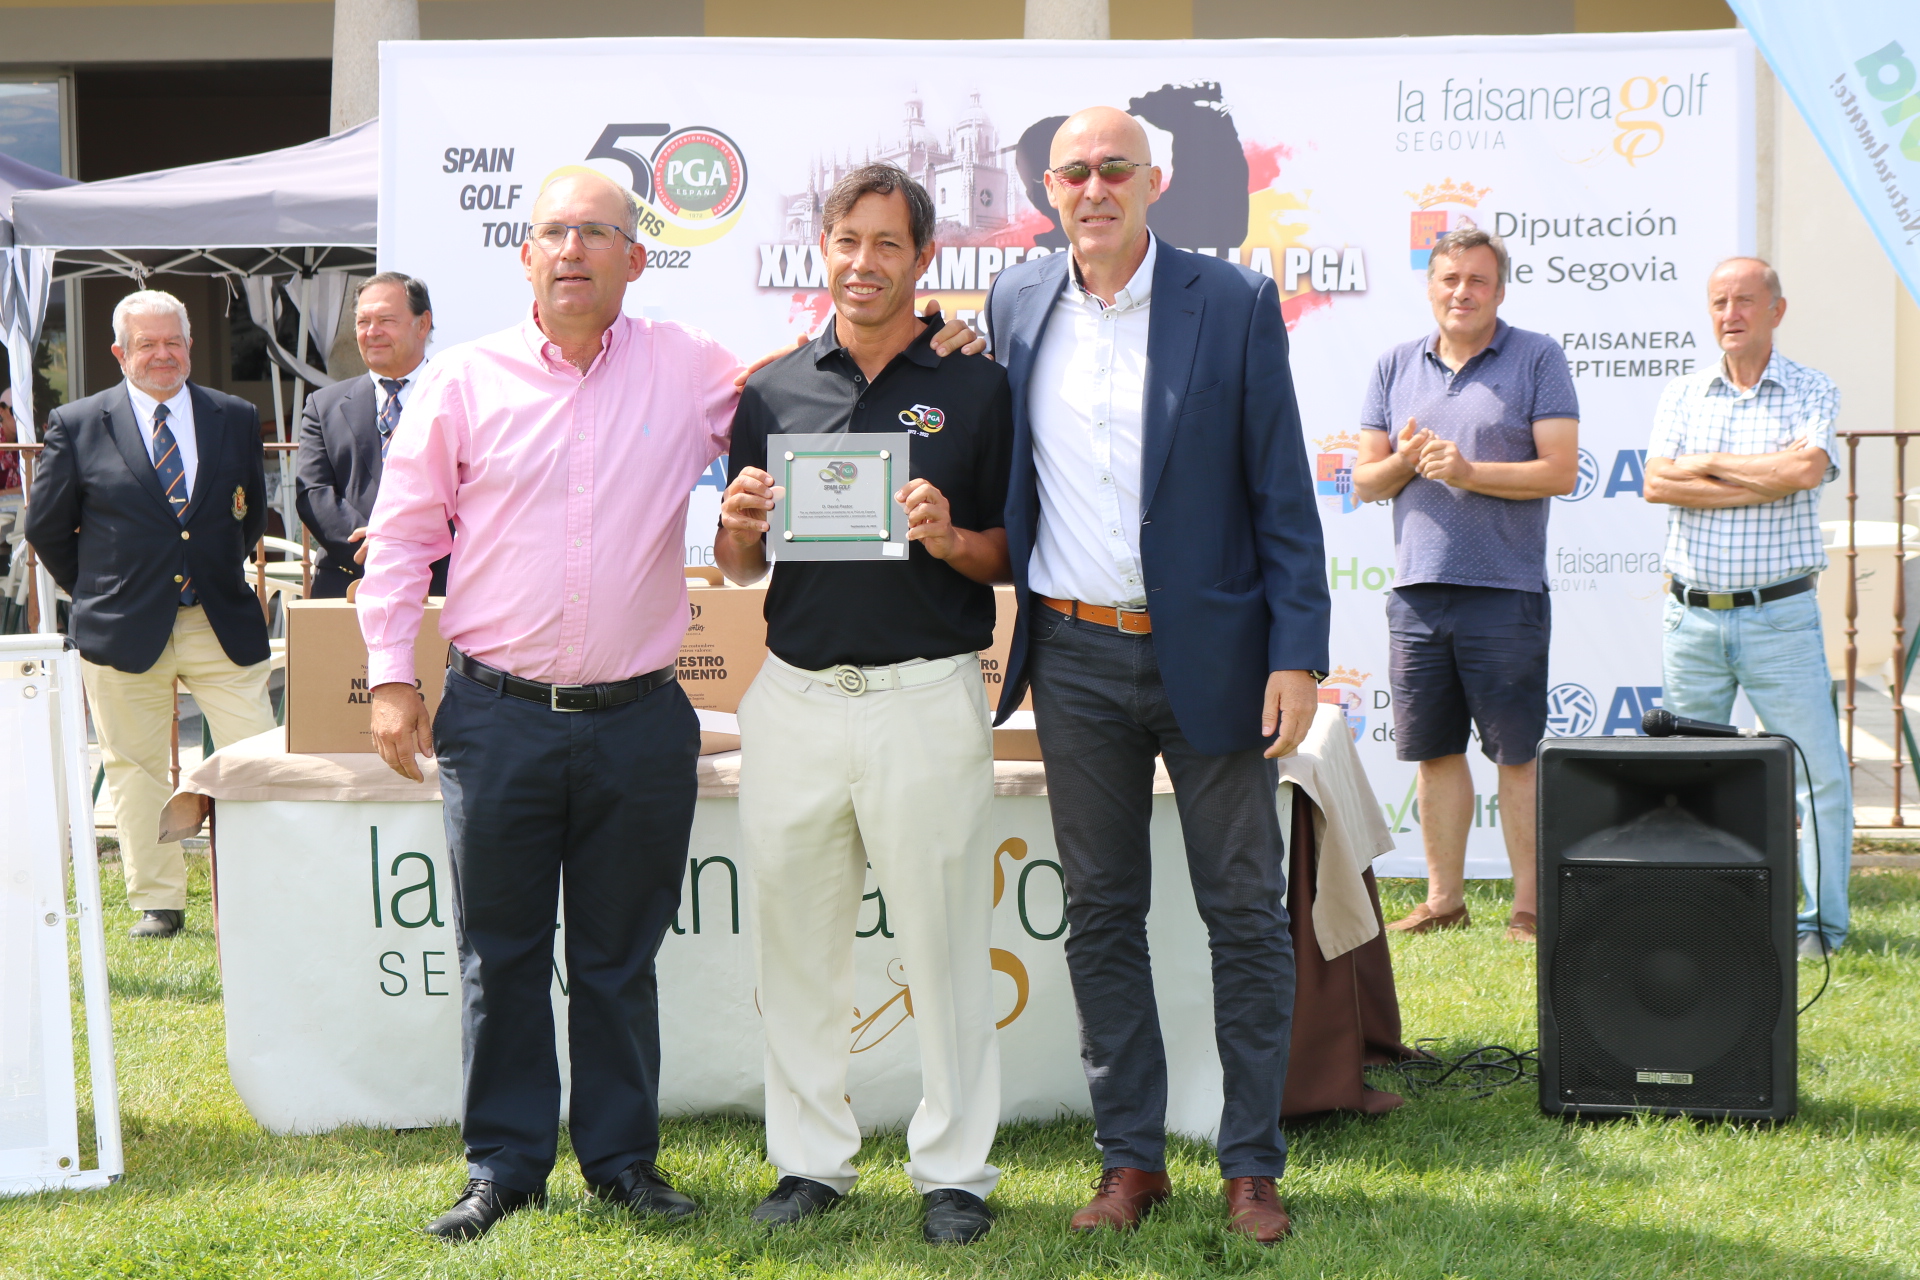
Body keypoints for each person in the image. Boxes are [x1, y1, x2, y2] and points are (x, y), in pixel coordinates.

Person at [360, 165, 982, 1244]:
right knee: (500, 953)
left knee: (617, 959)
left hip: (637, 719)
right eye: (556, 232)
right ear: (525, 254)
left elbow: (815, 377)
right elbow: (405, 538)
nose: (573, 251)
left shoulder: (691, 369)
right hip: (497, 714)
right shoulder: (459, 380)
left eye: (598, 233)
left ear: (635, 259)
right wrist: (389, 677)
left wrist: (936, 334)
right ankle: (504, 1165)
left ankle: (620, 1162)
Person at [983, 106, 1328, 1245]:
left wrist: (1295, 653)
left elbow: (1283, 490)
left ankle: (1251, 1166)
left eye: (1114, 169)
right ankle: (1130, 1158)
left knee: (1244, 912)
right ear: (1048, 189)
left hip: (1216, 655)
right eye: (1073, 172)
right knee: (1100, 912)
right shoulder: (1016, 302)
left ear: (1153, 181)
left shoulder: (1230, 302)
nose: (1094, 188)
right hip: (1074, 655)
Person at [716, 164, 1012, 1246]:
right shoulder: (772, 389)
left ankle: (956, 1172)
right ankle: (810, 1162)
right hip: (796, 696)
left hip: (924, 694)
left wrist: (948, 536)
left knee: (945, 943)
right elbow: (741, 566)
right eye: (849, 240)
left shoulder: (978, 386)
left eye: (889, 243)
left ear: (923, 258)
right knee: (796, 945)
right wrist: (737, 523)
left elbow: (1007, 552)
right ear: (824, 249)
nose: (865, 262)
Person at [1351, 225, 1579, 943]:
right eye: (1450, 279)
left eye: (1478, 280)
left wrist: (1470, 472)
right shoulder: (1393, 365)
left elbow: (1561, 470)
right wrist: (1407, 461)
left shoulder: (1537, 356)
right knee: (1434, 754)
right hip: (1418, 592)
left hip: (1506, 592)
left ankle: (1529, 909)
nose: (1463, 292)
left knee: (1516, 757)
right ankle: (1443, 901)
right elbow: (1365, 480)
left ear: (1499, 290)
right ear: (1430, 287)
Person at [26, 289, 277, 939]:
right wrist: (98, 592)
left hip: (216, 619)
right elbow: (47, 527)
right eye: (147, 344)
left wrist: (205, 571)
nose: (162, 355)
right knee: (134, 766)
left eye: (173, 342)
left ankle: (260, 884)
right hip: (121, 625)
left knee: (253, 752)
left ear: (190, 346)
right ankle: (159, 902)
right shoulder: (79, 424)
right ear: (119, 352)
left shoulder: (234, 416)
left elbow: (248, 515)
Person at [1643, 256, 1848, 959]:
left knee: (1815, 776)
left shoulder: (1812, 388)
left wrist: (1706, 463)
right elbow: (1657, 483)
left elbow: (1805, 469)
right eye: (1719, 302)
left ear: (1776, 311)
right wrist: (1763, 474)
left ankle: (1820, 927)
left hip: (1779, 618)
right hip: (1691, 618)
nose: (1730, 314)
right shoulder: (1682, 393)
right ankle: (1702, 918)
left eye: (1744, 301)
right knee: (1687, 778)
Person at [296, 272, 447, 599]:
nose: (372, 332)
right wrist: (375, 547)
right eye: (363, 322)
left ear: (422, 324)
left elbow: (476, 489)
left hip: (442, 582)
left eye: (386, 320)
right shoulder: (323, 406)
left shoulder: (459, 398)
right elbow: (313, 492)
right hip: (347, 579)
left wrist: (407, 546)